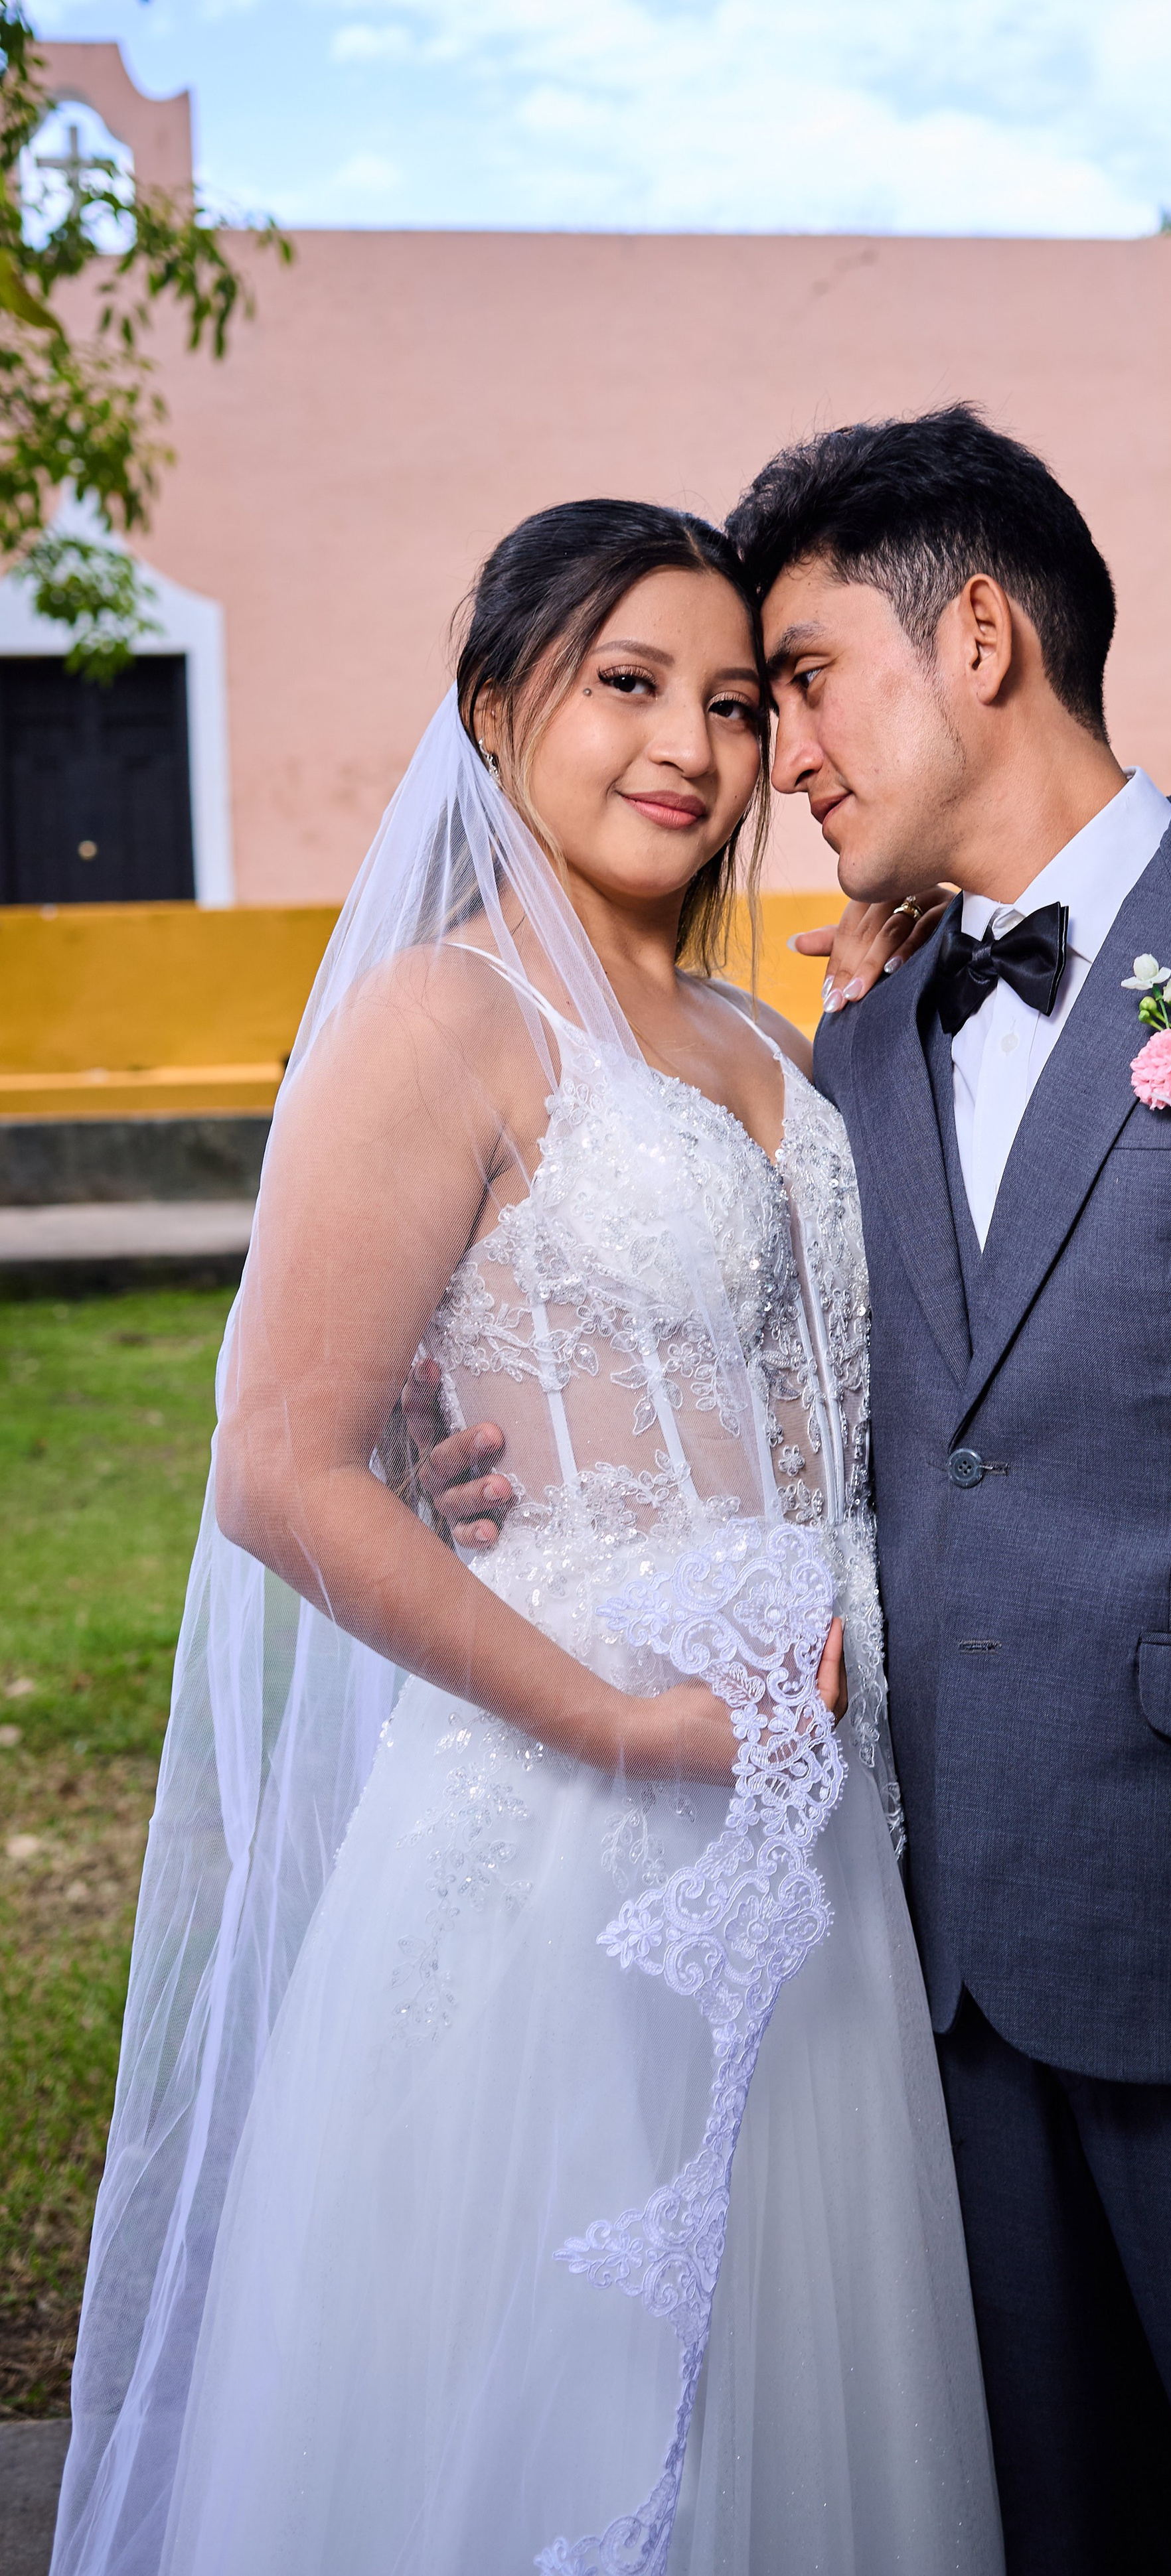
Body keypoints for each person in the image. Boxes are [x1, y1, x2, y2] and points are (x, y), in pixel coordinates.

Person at [423, 409, 1171, 2576]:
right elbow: (774, 1400)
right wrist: (474, 1432)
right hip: (920, 1989)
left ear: (979, 636)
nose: (775, 755)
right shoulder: (842, 1054)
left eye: (800, 679)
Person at [51, 501, 1002, 2576]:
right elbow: (278, 1467)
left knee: (803, 2400)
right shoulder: (437, 1020)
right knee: (549, 2398)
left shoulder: (772, 1042)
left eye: (737, 703)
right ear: (497, 712)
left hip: (826, 1828)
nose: (692, 744)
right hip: (575, 1818)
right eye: (628, 687)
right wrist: (618, 1723)